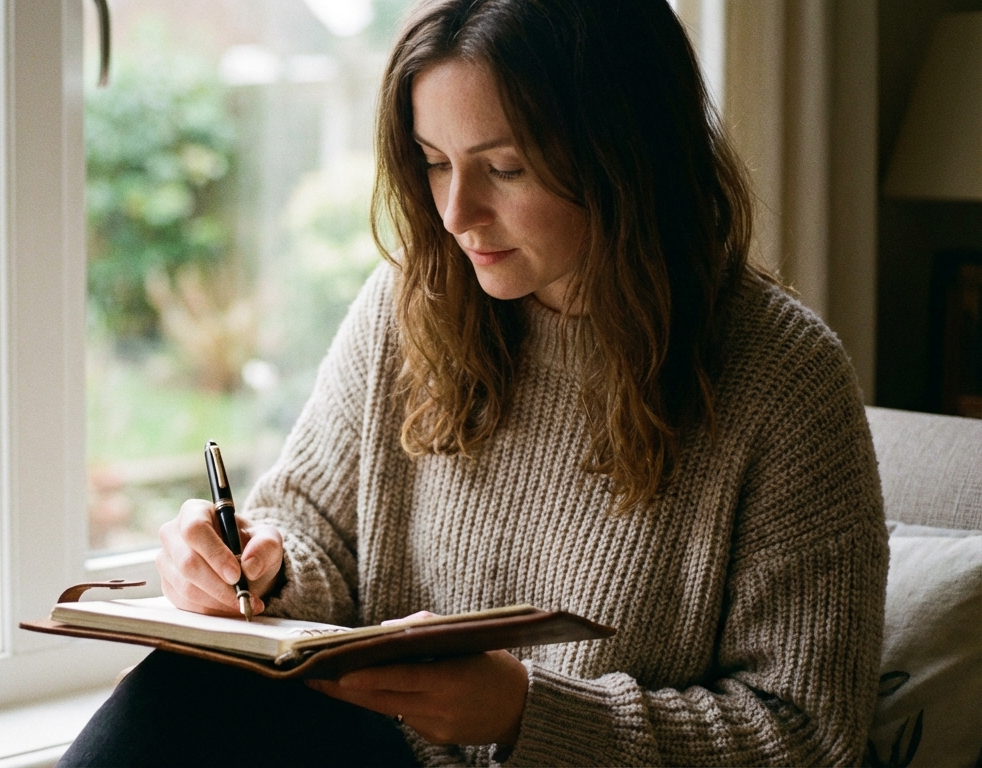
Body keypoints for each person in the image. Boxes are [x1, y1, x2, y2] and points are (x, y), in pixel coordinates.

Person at [60, 0, 888, 765]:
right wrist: (258, 567)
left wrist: (529, 713)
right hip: (372, 750)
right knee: (187, 687)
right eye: (433, 162)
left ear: (626, 155)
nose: (456, 214)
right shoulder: (408, 305)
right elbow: (311, 527)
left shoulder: (782, 379)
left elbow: (806, 734)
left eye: (505, 169)